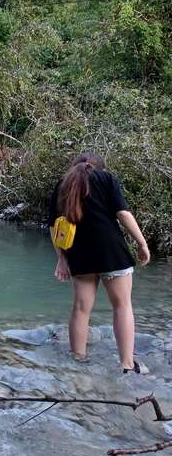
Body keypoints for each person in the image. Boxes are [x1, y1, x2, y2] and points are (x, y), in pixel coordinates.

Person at [49, 153, 151, 373]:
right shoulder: (106, 179)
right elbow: (123, 214)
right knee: (122, 306)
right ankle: (126, 364)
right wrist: (142, 243)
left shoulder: (63, 185)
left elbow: (54, 227)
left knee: (80, 308)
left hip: (79, 254)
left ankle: (78, 360)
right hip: (111, 252)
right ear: (100, 168)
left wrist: (62, 259)